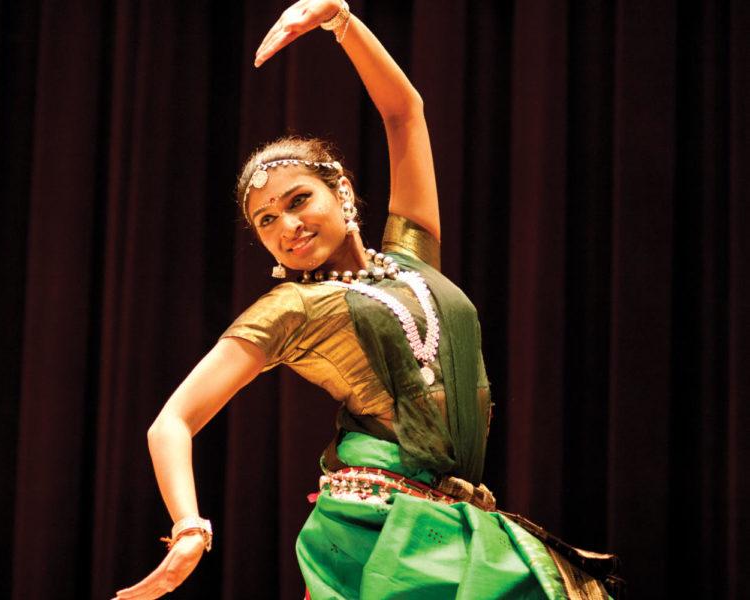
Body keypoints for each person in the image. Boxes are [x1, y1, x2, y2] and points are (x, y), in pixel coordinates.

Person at [117, 1, 615, 598]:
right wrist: (189, 527)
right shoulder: (290, 310)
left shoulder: (412, 255)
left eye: (298, 200)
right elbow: (171, 422)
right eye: (266, 221)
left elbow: (405, 113)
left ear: (342, 190)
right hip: (382, 523)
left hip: (452, 518)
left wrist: (340, 20)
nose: (286, 226)